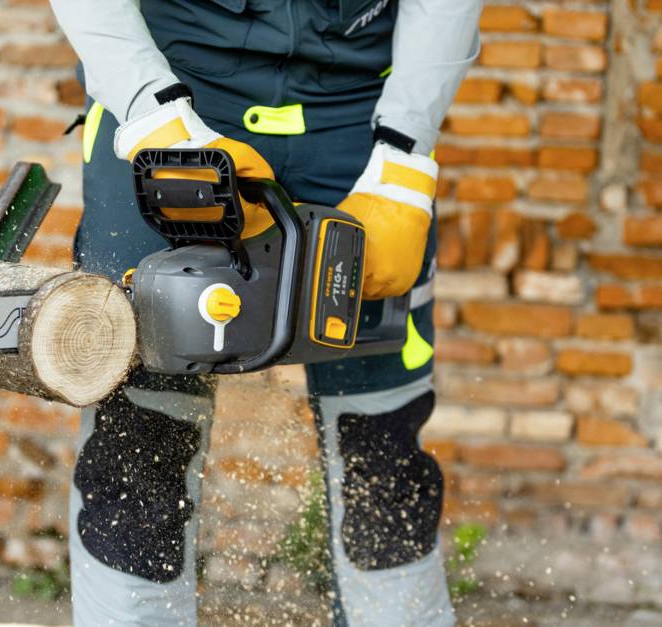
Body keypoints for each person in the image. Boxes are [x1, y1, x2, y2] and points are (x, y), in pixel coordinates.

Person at [47, 1, 482, 624]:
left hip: (359, 118)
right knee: (141, 437)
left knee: (381, 450)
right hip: (178, 94)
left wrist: (404, 158)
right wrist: (154, 117)